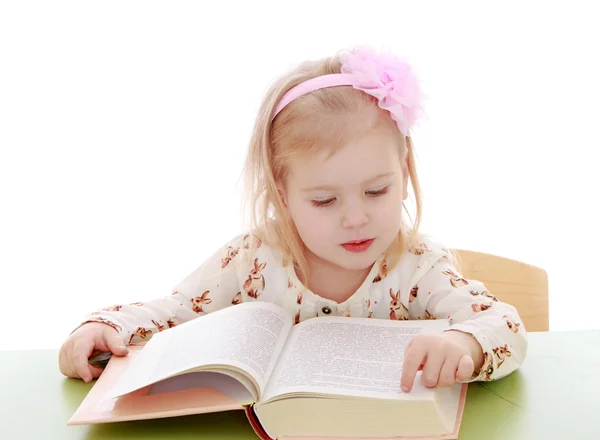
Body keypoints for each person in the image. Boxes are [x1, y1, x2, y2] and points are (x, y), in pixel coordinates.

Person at [58, 46, 527, 393]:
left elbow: (505, 325)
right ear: (283, 196)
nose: (356, 217)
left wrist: (466, 344)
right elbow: (174, 312)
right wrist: (103, 328)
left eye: (377, 190)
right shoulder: (251, 261)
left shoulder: (420, 265)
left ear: (404, 176)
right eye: (324, 200)